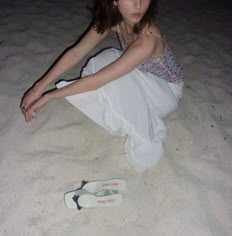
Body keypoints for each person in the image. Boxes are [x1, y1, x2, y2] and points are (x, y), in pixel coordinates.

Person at [20, 0, 184, 172]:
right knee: (103, 62)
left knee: (108, 61)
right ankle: (135, 110)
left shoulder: (149, 38)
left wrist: (50, 95)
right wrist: (37, 88)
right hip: (142, 79)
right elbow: (76, 52)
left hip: (165, 93)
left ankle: (149, 131)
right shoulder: (114, 20)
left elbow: (98, 80)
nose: (138, 4)